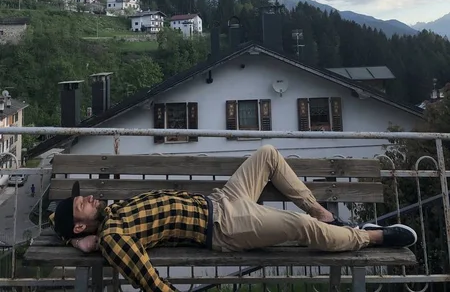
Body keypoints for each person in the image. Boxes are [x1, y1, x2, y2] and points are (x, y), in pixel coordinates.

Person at [51, 145, 416, 292]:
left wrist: (76, 241)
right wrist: (85, 241)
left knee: (268, 154)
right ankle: (368, 237)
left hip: (222, 200)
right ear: (82, 223)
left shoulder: (110, 213)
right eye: (79, 204)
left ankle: (323, 212)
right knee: (299, 228)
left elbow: (68, 227)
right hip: (225, 227)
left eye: (80, 196)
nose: (84, 197)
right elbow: (153, 286)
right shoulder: (114, 236)